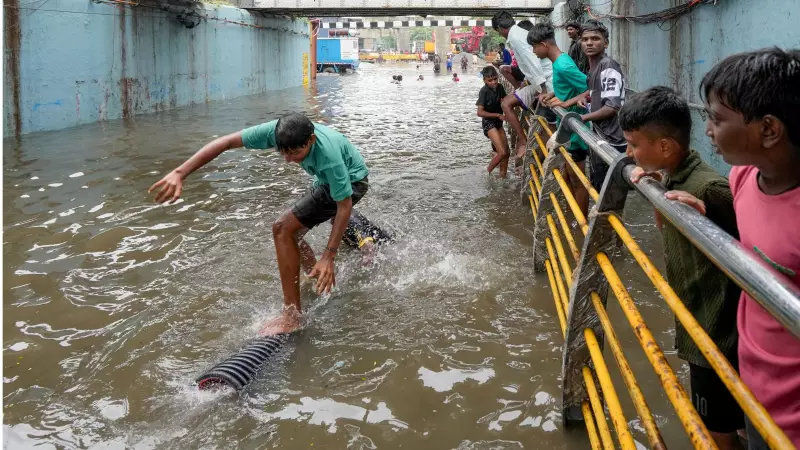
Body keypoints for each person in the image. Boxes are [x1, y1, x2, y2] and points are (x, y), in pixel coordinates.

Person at [148, 113, 371, 335]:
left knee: (282, 229)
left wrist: (329, 256)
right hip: (322, 180)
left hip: (353, 181)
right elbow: (225, 142)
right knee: (290, 234)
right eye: (283, 152)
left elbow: (344, 206)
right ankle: (316, 276)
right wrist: (180, 172)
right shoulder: (277, 131)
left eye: (295, 153)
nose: (288, 159)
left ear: (311, 140)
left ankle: (293, 317)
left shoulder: (329, 157)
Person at [681, 48, 800, 448]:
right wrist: (706, 218)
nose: (708, 130)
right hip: (751, 388)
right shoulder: (743, 178)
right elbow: (758, 242)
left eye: (716, 119)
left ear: (768, 130)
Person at [620, 86, 744, 450]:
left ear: (664, 147)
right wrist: (657, 190)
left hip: (714, 333)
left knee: (714, 431)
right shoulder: (675, 178)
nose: (628, 153)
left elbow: (753, 245)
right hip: (700, 321)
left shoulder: (709, 189)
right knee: (732, 421)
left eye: (634, 144)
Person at [559, 20, 628, 194]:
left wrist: (582, 118)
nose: (589, 43)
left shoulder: (608, 66)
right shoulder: (594, 68)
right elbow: (599, 92)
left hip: (612, 141)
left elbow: (612, 107)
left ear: (606, 43)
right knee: (598, 188)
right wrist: (588, 98)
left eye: (595, 39)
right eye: (585, 39)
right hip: (599, 136)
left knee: (608, 196)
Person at [528, 23, 590, 214]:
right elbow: (568, 86)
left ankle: (581, 223)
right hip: (567, 129)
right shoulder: (559, 61)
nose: (533, 51)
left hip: (576, 131)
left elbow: (591, 88)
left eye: (534, 47)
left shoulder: (562, 65)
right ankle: (572, 217)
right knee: (568, 176)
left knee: (577, 179)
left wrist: (565, 103)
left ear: (544, 44)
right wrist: (552, 94)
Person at [492, 12, 554, 159]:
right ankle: (524, 142)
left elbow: (533, 62)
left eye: (498, 31)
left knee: (547, 125)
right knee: (507, 103)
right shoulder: (519, 34)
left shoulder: (515, 38)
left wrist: (544, 90)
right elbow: (528, 64)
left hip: (546, 82)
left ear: (500, 28)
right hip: (539, 81)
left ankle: (523, 141)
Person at [476, 65, 511, 178]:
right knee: (502, 152)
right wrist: (497, 115)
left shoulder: (500, 87)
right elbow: (479, 112)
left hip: (498, 123)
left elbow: (505, 101)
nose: (494, 82)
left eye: (495, 79)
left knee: (507, 152)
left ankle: (502, 176)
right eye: (490, 80)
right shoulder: (484, 91)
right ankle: (486, 174)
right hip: (488, 123)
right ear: (484, 80)